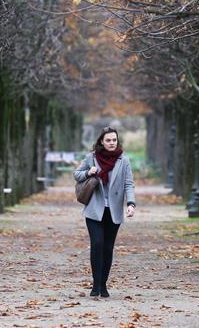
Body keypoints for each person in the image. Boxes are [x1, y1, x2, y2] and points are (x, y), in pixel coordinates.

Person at [73, 126, 136, 298]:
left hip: (113, 211)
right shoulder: (91, 157)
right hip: (95, 209)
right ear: (102, 141)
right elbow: (76, 174)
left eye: (114, 140)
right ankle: (95, 284)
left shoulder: (123, 160)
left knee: (108, 248)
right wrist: (88, 172)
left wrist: (131, 204)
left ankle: (103, 284)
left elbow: (129, 184)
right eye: (108, 140)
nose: (111, 143)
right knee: (97, 244)